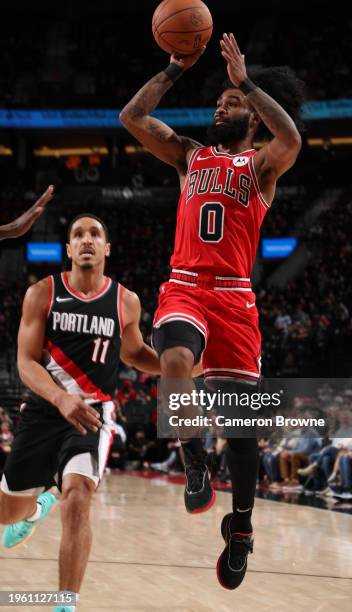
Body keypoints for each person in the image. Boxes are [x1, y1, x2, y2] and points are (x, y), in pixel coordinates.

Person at [120, 32, 305, 589]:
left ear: (251, 116)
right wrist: (175, 67)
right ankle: (195, 459)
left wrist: (246, 81)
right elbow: (132, 116)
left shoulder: (262, 167)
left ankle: (242, 529)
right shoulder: (189, 154)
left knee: (244, 429)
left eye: (230, 103)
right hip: (185, 284)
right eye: (220, 100)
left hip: (235, 296)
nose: (219, 106)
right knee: (174, 356)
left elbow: (290, 136)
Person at [0, 213, 160, 612]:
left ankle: (65, 604)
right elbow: (26, 363)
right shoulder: (42, 294)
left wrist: (187, 365)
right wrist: (59, 399)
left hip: (92, 413)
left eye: (95, 234)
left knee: (78, 496)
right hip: (43, 411)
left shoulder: (126, 301)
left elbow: (136, 353)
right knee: (6, 516)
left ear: (106, 248)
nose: (86, 239)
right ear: (68, 249)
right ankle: (37, 507)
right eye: (77, 234)